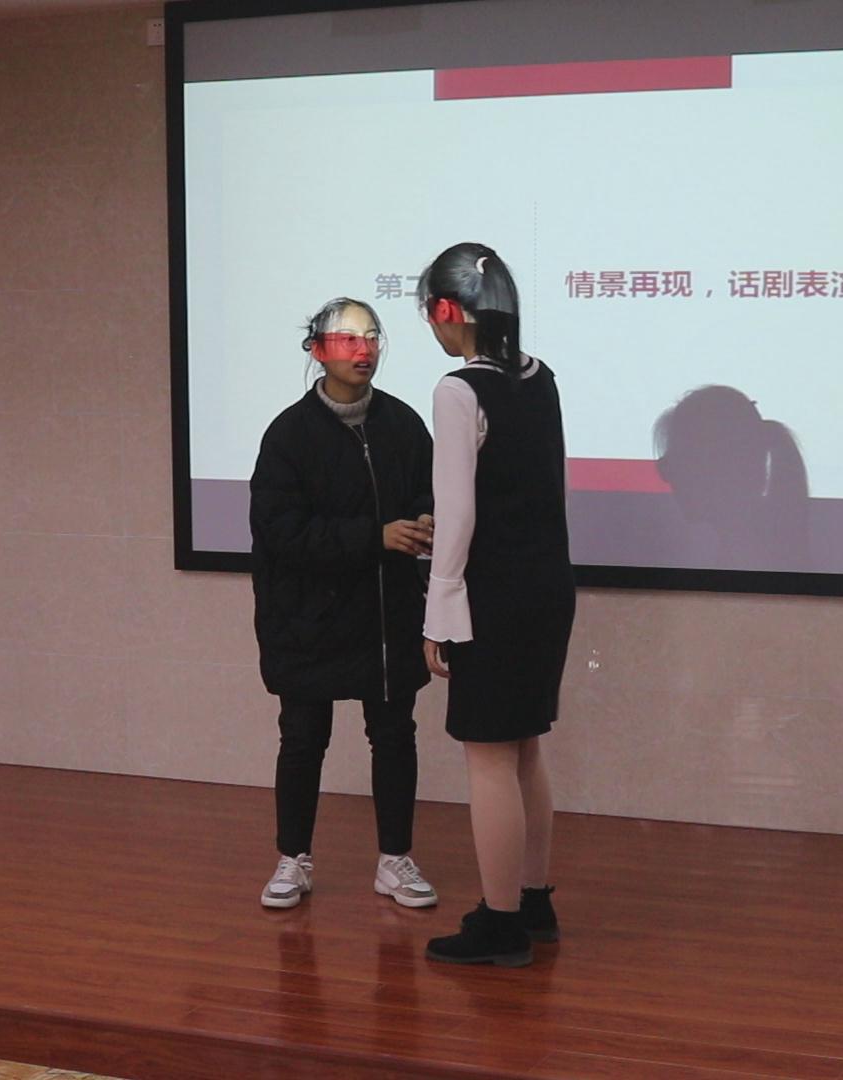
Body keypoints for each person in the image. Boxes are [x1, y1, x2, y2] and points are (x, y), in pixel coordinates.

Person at [248, 297, 439, 911]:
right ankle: (293, 859)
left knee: (395, 735)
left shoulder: (404, 424)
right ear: (317, 350)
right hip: (309, 618)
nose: (364, 350)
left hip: (388, 615)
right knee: (303, 738)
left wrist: (428, 520)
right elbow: (280, 533)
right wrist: (373, 536)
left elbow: (430, 493)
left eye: (372, 337)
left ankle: (395, 859)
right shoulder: (288, 435)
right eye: (347, 338)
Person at [416, 244, 575, 967]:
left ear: (449, 311)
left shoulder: (459, 390)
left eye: (430, 313)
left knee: (488, 758)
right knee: (525, 747)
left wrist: (438, 614)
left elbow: (456, 518)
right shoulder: (542, 379)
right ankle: (533, 901)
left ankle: (502, 923)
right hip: (547, 588)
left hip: (494, 596)